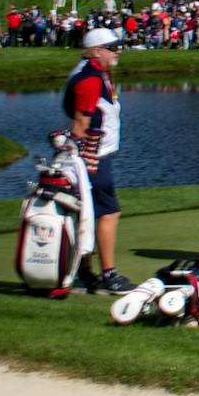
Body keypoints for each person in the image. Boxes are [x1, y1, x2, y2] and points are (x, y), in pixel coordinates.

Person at [62, 27, 133, 293]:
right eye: (113, 48)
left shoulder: (93, 73)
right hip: (92, 156)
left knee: (88, 214)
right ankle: (108, 275)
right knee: (108, 212)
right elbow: (81, 123)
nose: (117, 52)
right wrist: (80, 161)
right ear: (96, 50)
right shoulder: (90, 78)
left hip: (93, 154)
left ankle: (83, 273)